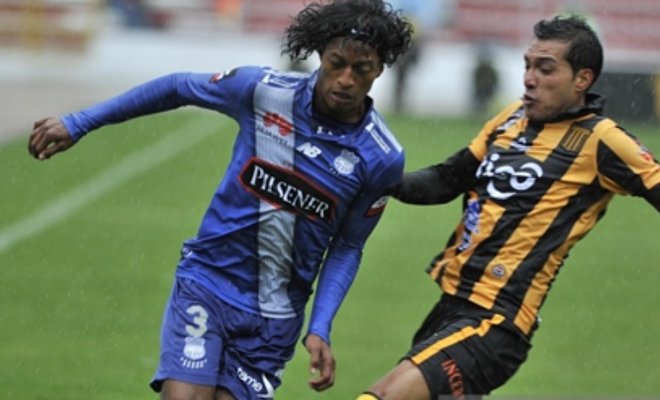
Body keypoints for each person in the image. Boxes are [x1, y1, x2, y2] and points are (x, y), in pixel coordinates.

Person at [28, 0, 413, 399]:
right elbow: (177, 87)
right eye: (337, 63)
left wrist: (321, 326)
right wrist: (79, 122)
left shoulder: (381, 157)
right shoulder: (262, 90)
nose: (346, 79)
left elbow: (348, 246)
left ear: (380, 70)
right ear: (320, 54)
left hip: (274, 317)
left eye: (361, 69)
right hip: (209, 283)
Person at [357, 14, 660, 400]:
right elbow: (448, 179)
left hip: (496, 321)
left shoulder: (602, 140)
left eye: (545, 69)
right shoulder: (512, 118)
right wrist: (378, 180)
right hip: (450, 307)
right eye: (528, 66)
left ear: (582, 79)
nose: (529, 78)